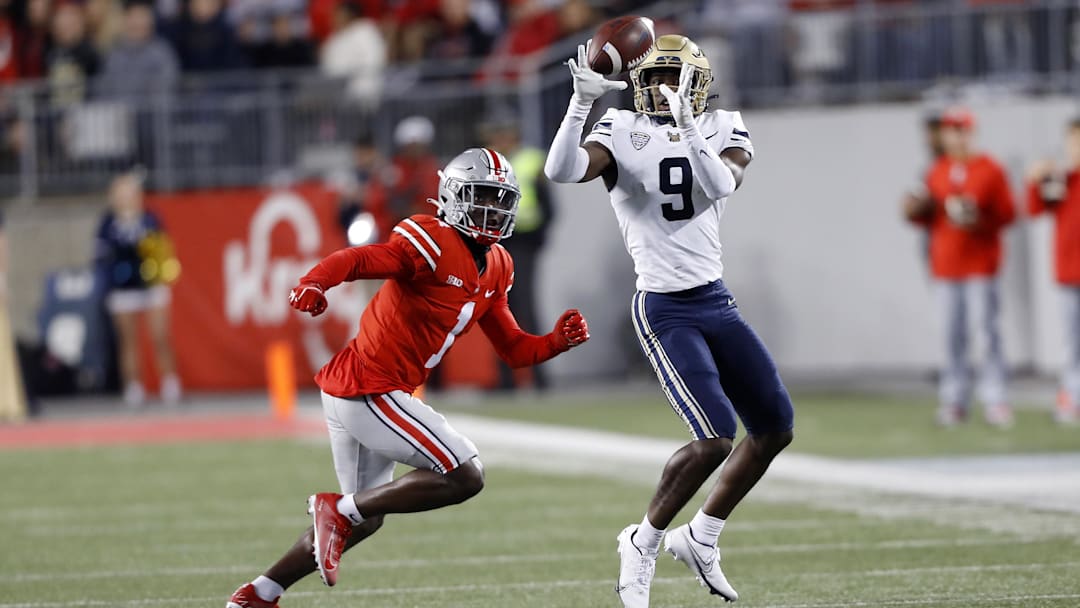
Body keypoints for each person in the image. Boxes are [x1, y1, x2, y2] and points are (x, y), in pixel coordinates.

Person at [225, 148, 590, 608]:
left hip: (364, 391)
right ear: (453, 197)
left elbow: (514, 349)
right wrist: (317, 280)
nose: (491, 210)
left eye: (500, 201)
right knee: (464, 474)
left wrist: (556, 341)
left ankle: (259, 592)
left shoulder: (498, 264)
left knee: (366, 518)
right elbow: (361, 259)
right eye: (481, 197)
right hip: (370, 388)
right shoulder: (431, 239)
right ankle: (336, 509)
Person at [544, 36, 794, 606]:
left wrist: (686, 125)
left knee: (776, 425)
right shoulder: (621, 128)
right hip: (664, 305)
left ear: (700, 86)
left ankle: (701, 537)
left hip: (714, 299)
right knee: (712, 438)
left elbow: (720, 185)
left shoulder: (722, 124)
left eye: (675, 81)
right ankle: (643, 540)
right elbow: (563, 171)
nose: (663, 91)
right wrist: (580, 104)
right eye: (655, 80)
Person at [904, 106, 1016, 427]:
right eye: (951, 130)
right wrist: (915, 210)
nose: (956, 136)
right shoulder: (937, 170)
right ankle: (954, 400)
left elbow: (1008, 214)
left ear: (971, 132)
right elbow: (924, 217)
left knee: (987, 333)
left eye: (961, 129)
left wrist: (977, 218)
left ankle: (996, 398)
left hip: (981, 264)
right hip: (946, 266)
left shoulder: (990, 169)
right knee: (951, 336)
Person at [94, 169, 182, 407]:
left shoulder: (150, 219)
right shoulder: (108, 225)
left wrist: (158, 271)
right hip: (123, 289)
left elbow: (164, 250)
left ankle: (170, 383)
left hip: (151, 285)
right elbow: (101, 258)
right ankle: (133, 386)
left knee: (160, 336)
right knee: (128, 340)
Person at [480, 113, 556, 390]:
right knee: (498, 307)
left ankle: (538, 377)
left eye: (502, 134)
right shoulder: (488, 164)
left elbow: (547, 205)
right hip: (497, 242)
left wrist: (540, 237)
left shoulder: (531, 160)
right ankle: (506, 379)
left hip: (523, 240)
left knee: (525, 305)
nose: (498, 140)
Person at [1026, 117, 1080, 425]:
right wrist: (1034, 181)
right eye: (1072, 141)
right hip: (1069, 274)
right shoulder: (1061, 181)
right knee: (1073, 343)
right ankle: (1071, 398)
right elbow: (1034, 210)